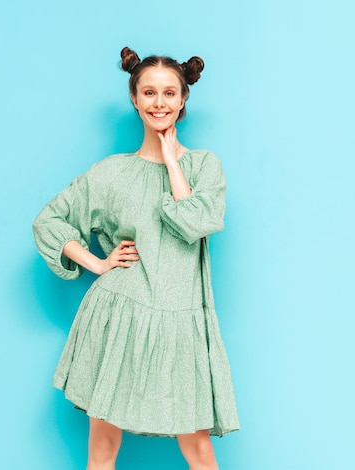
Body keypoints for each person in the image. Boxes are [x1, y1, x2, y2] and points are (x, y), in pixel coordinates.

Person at [33, 46, 239, 470]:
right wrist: (97, 263)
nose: (158, 102)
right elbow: (49, 221)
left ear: (183, 100)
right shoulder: (111, 173)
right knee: (103, 451)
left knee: (198, 449)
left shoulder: (204, 166)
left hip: (182, 319)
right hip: (120, 315)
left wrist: (170, 160)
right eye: (148, 92)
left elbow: (197, 221)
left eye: (168, 93)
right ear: (134, 98)